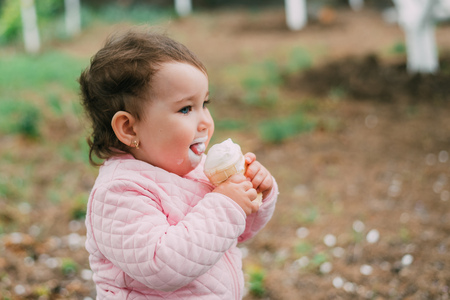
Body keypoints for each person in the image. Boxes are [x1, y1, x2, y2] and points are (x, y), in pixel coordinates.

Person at [79, 27, 278, 299]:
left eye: (204, 104)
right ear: (129, 128)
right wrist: (226, 203)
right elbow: (162, 265)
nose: (205, 121)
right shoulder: (118, 194)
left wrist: (254, 193)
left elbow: (235, 232)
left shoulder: (195, 168)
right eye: (186, 108)